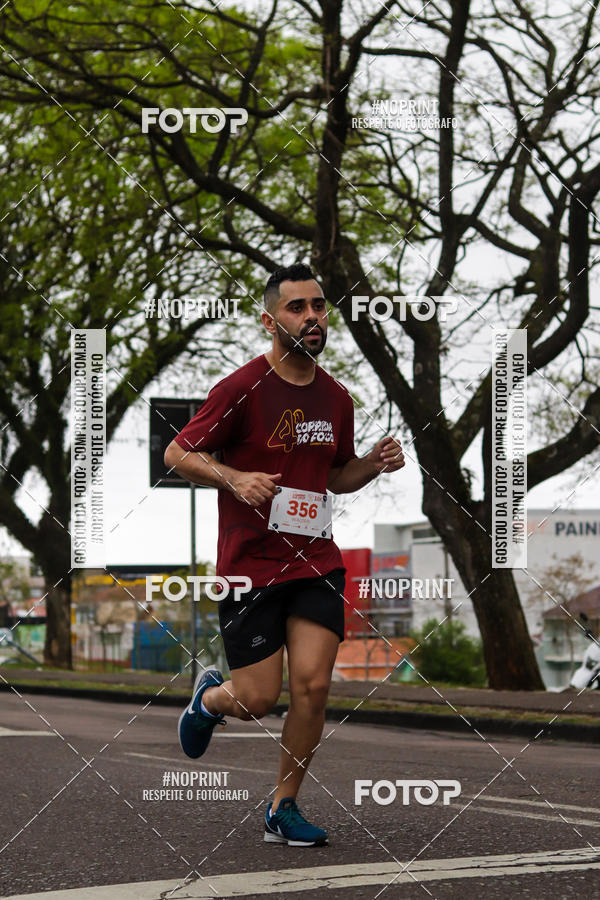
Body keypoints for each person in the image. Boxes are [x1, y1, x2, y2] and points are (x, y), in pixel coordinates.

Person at [164, 262, 405, 846]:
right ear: (270, 320)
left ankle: (283, 807)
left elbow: (337, 478)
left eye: (319, 306)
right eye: (298, 308)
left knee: (315, 686)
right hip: (250, 566)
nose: (312, 317)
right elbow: (176, 453)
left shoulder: (336, 397)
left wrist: (372, 464)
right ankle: (210, 699)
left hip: (316, 561)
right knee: (256, 699)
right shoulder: (241, 387)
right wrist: (234, 477)